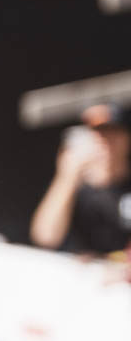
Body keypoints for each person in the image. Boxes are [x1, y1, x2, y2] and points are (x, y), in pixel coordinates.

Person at [30, 103, 131, 257]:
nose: (106, 142)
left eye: (113, 133)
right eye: (99, 134)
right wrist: (67, 175)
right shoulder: (76, 185)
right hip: (81, 269)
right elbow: (46, 238)